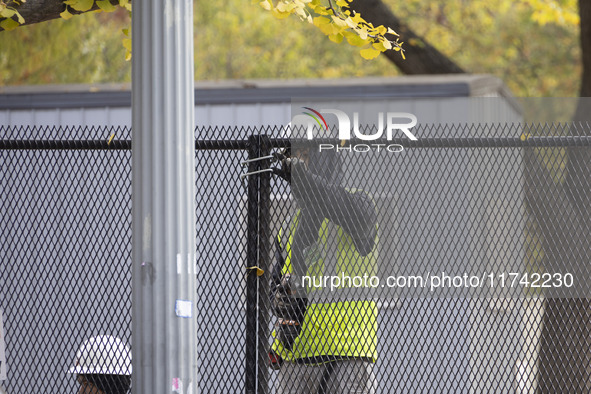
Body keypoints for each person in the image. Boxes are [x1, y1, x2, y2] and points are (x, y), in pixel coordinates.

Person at [270, 144, 379, 394]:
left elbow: (346, 210)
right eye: (293, 158)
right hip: (296, 354)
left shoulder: (360, 202)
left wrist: (308, 182)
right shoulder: (291, 223)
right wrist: (279, 299)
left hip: (346, 353)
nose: (299, 163)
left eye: (306, 156)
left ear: (325, 157)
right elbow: (275, 286)